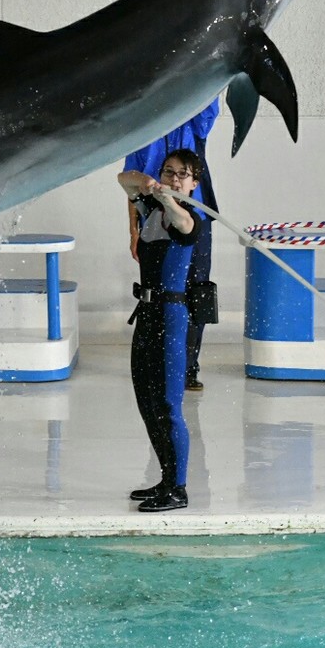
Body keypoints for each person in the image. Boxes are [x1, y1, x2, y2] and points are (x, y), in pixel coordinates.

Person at [117, 148, 208, 513]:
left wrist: (169, 198)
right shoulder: (149, 208)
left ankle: (178, 488)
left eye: (182, 175)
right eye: (169, 172)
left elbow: (181, 221)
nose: (174, 179)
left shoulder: (190, 218)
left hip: (172, 318)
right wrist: (147, 184)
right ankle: (165, 477)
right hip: (147, 315)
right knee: (146, 401)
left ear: (194, 183)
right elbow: (124, 181)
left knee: (169, 404)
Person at [123, 98, 220, 389]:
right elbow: (129, 186)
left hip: (195, 218)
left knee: (197, 291)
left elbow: (209, 101)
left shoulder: (192, 121)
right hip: (154, 219)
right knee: (159, 293)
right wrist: (133, 232)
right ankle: (159, 360)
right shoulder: (141, 133)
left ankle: (189, 367)